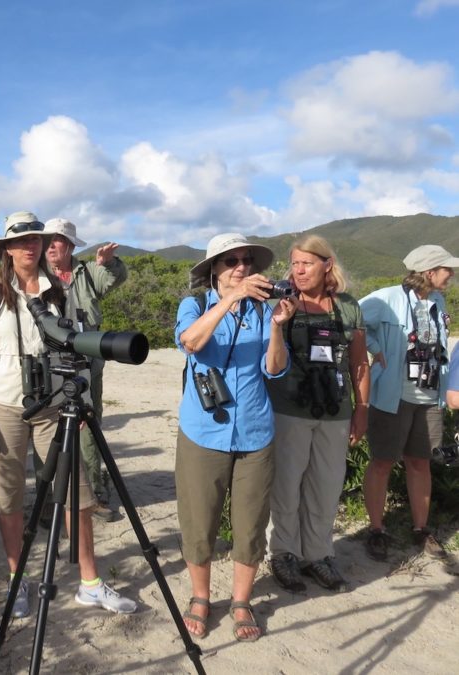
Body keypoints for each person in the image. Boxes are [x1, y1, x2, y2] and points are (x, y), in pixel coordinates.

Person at [0, 211, 137, 619]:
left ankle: (91, 583)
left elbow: (73, 346)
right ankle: (16, 579)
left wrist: (80, 399)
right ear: (6, 249)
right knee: (9, 496)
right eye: (20, 240)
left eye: (36, 239)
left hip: (55, 406)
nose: (30, 246)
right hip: (5, 405)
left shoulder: (58, 291)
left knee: (75, 492)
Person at [175, 232, 295, 642]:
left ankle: (242, 602)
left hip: (255, 432)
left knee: (250, 523)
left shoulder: (263, 312)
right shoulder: (194, 305)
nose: (242, 267)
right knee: (199, 518)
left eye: (248, 260)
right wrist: (230, 300)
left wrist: (278, 327)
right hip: (203, 430)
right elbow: (190, 342)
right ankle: (201, 597)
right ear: (214, 270)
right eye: (231, 261)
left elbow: (275, 369)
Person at [265, 235, 369, 593]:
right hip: (289, 409)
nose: (299, 270)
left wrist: (362, 409)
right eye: (294, 263)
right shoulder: (283, 304)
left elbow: (359, 363)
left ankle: (318, 555)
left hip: (336, 411)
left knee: (325, 486)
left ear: (327, 265)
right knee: (287, 485)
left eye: (306, 263)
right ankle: (283, 553)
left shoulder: (348, 308)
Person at [358, 244, 458, 561]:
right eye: (447, 269)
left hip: (429, 397)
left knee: (420, 462)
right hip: (393, 395)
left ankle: (421, 529)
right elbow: (351, 319)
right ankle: (376, 529)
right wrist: (376, 347)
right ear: (429, 272)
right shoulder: (387, 298)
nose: (451, 275)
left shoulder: (438, 301)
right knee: (383, 462)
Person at [42, 217, 128, 520]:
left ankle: (94, 493)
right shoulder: (37, 275)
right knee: (48, 425)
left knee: (89, 425)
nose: (52, 245)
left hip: (89, 360)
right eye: (48, 240)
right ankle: (50, 500)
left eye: (58, 240)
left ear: (69, 245)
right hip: (50, 361)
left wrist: (108, 263)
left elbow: (114, 279)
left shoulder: (88, 272)